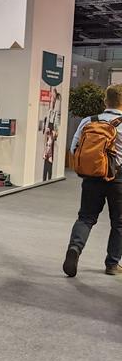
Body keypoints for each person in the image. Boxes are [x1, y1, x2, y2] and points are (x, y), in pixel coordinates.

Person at [63, 84, 122, 277]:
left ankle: (75, 248)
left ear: (105, 101)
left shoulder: (89, 121)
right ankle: (112, 264)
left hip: (92, 177)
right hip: (118, 179)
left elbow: (74, 149)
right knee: (119, 223)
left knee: (86, 217)